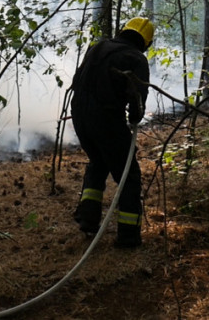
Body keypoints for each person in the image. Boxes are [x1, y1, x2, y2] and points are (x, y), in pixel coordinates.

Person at [70, 17, 154, 248]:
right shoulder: (136, 58)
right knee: (129, 177)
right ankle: (128, 238)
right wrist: (135, 117)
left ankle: (87, 218)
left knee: (98, 162)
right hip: (105, 120)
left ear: (123, 30)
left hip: (79, 117)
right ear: (146, 42)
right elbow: (137, 97)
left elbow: (78, 80)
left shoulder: (98, 47)